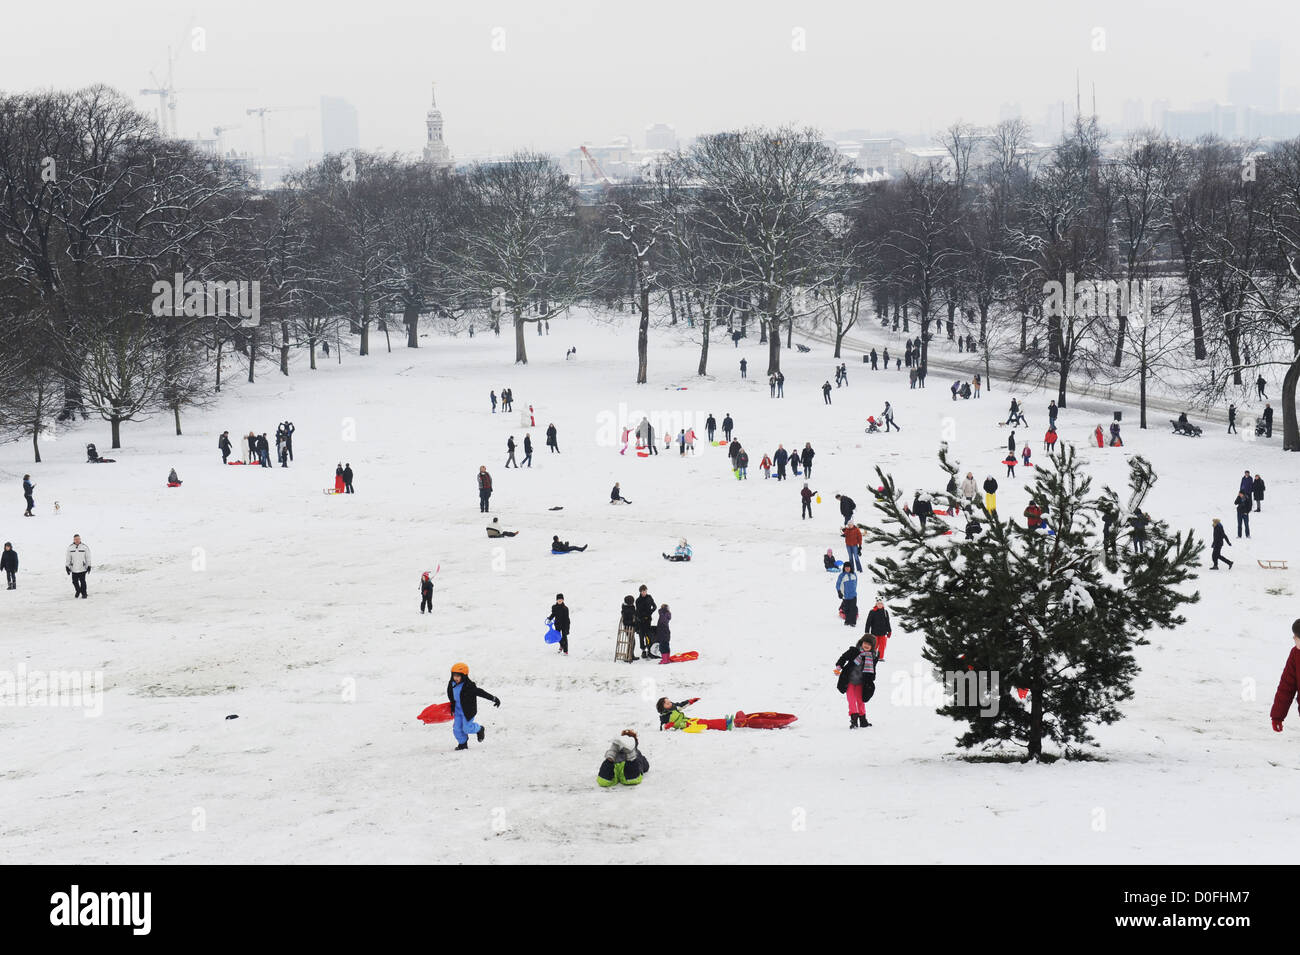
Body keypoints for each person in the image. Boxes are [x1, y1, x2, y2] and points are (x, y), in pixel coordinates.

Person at [446, 662, 501, 751]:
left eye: (458, 676)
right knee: (456, 729)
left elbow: (481, 692)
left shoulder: (469, 686)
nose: (455, 678)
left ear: (464, 676)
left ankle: (479, 729)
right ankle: (463, 744)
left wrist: (493, 698)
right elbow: (451, 695)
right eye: (454, 675)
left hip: (468, 711)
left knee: (467, 728)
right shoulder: (451, 684)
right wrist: (451, 704)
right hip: (457, 711)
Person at [835, 635, 878, 728]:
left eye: (869, 644)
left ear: (872, 647)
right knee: (851, 700)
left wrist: (871, 680)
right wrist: (839, 667)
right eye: (865, 643)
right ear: (861, 642)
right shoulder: (854, 651)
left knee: (860, 701)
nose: (866, 645)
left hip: (861, 683)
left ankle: (863, 720)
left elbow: (873, 670)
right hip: (849, 681)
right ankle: (854, 720)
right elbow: (843, 658)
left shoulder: (872, 657)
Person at [1268, 619, 1300, 733]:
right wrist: (1277, 716)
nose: (1294, 638)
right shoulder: (1295, 655)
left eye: (1297, 636)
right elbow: (1286, 687)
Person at [657, 697, 732, 732]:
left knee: (704, 721)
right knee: (706, 724)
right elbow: (662, 727)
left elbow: (682, 705)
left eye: (669, 701)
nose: (670, 703)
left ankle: (724, 722)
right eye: (667, 703)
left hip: (687, 720)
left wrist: (691, 701)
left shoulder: (674, 707)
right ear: (662, 708)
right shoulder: (664, 716)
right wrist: (667, 726)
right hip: (685, 725)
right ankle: (725, 724)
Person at [865, 597, 892, 661]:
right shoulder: (872, 612)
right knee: (874, 645)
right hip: (875, 633)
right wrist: (867, 631)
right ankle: (872, 656)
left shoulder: (885, 612)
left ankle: (880, 657)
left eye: (881, 604)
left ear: (883, 604)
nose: (880, 605)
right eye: (878, 603)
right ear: (876, 604)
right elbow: (868, 622)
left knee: (882, 646)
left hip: (883, 632)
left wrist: (889, 631)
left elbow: (887, 622)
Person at [635, 586, 658, 659]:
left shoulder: (649, 597)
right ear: (640, 592)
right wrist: (639, 618)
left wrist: (650, 612)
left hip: (648, 620)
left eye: (645, 591)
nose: (644, 592)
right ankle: (643, 651)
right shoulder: (638, 600)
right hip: (641, 621)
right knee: (641, 636)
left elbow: (654, 606)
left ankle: (649, 650)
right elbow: (637, 611)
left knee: (648, 635)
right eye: (642, 591)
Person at [65, 533, 91, 598]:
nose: (77, 540)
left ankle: (84, 594)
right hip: (74, 569)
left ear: (80, 539)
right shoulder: (70, 548)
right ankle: (78, 590)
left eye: (78, 539)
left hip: (82, 568)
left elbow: (88, 557)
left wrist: (89, 566)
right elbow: (68, 558)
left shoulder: (84, 547)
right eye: (75, 539)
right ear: (73, 540)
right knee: (74, 582)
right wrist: (67, 566)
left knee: (83, 582)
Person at [836, 563, 860, 627]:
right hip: (845, 596)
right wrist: (839, 592)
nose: (847, 569)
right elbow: (838, 585)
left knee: (853, 609)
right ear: (844, 568)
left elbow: (856, 583)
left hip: (853, 595)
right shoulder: (841, 576)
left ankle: (853, 622)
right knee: (846, 609)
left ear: (850, 568)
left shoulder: (854, 574)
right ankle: (847, 621)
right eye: (846, 567)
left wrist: (854, 591)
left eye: (848, 567)